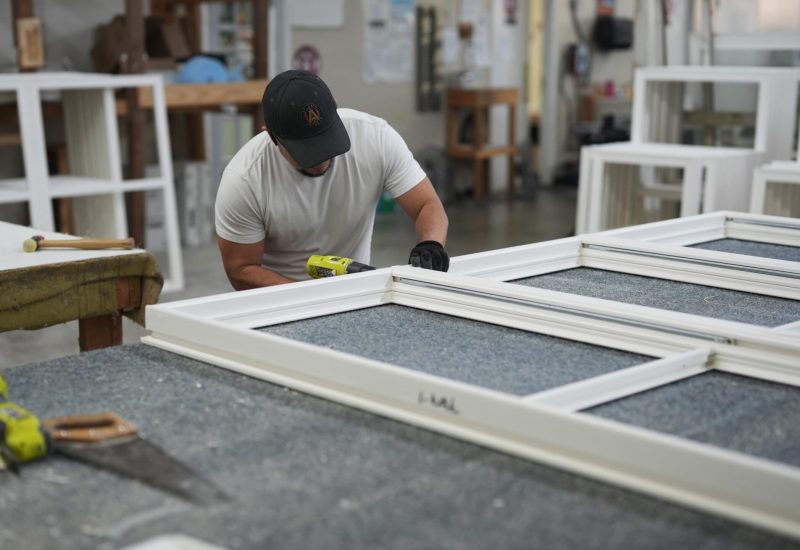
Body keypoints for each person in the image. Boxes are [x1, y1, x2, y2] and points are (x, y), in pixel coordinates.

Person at [215, 70, 450, 290]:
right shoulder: (244, 179)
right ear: (272, 136)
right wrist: (310, 297)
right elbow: (241, 269)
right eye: (307, 151)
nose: (321, 159)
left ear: (335, 110)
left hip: (354, 290)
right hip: (282, 298)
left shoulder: (376, 138)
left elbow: (426, 205)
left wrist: (430, 244)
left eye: (326, 141)